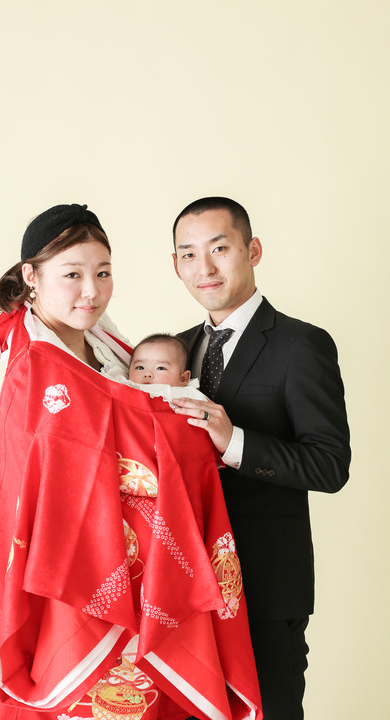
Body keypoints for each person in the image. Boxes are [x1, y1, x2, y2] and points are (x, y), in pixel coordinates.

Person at [0, 203, 263, 720]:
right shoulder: (37, 364)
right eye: (72, 275)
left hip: (144, 569)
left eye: (103, 273)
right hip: (82, 576)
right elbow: (61, 475)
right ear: (31, 277)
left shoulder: (107, 346)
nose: (91, 291)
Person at [171, 196, 351, 720]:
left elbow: (329, 465)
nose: (204, 268)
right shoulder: (174, 352)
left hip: (266, 592)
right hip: (185, 589)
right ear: (176, 265)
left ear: (253, 250)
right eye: (188, 254)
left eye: (219, 248)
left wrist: (235, 443)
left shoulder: (302, 345)